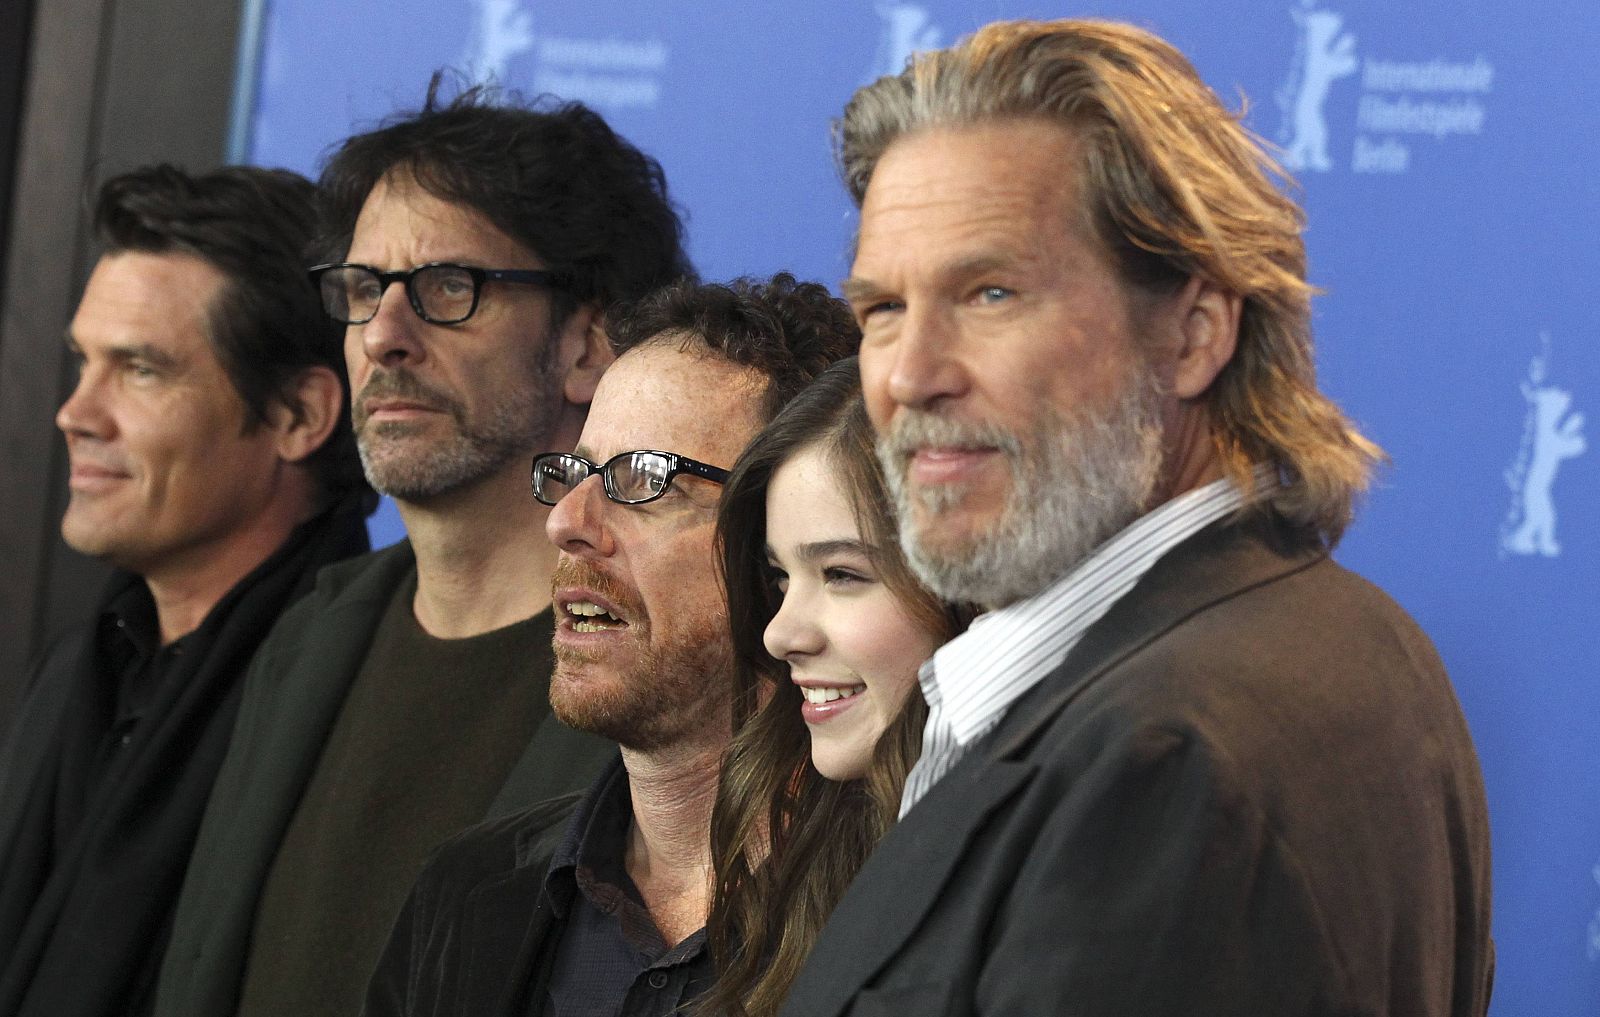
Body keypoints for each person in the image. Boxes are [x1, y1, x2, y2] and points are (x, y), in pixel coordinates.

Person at [782, 18, 1493, 1017]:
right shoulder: (1332, 633)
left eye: (989, 293)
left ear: (1192, 334)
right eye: (881, 310)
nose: (909, 375)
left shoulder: (1163, 759)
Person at [155, 84, 692, 1017]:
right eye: (363, 291)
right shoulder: (302, 640)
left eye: (450, 288)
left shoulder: (668, 672)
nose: (385, 338)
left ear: (586, 344)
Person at [362, 274, 857, 1017]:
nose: (568, 520)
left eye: (644, 479)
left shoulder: (906, 895)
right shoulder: (466, 894)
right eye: (575, 471)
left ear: (789, 542)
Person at [0, 164, 371, 1017]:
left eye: (139, 370)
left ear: (297, 417)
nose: (76, 412)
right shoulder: (82, 666)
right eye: (84, 362)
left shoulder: (344, 700)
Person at [701, 357, 969, 1017]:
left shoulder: (1049, 863)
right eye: (781, 578)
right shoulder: (812, 867)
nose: (780, 633)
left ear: (970, 587)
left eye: (843, 574)